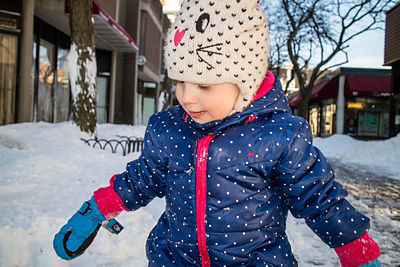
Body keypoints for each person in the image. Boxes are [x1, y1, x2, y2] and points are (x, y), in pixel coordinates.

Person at [54, 0, 382, 266]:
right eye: (179, 81)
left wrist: (356, 248)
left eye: (203, 85)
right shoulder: (170, 128)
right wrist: (97, 207)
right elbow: (142, 177)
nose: (187, 97)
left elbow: (319, 199)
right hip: (174, 260)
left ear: (246, 82)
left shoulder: (279, 136)